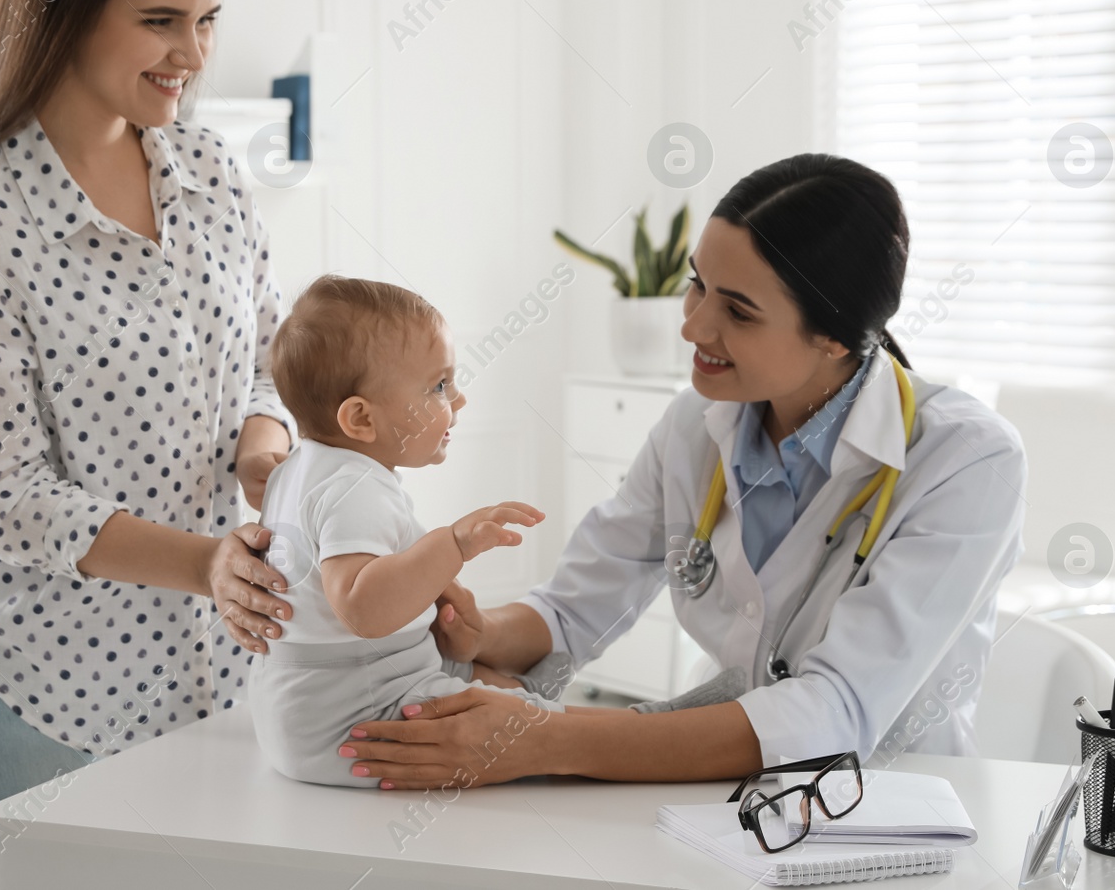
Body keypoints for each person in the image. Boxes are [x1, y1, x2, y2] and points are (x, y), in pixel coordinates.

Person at [212, 153, 1027, 790]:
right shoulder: (696, 427)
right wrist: (468, 632)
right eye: (697, 284)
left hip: (891, 804)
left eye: (737, 310)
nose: (694, 325)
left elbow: (837, 708)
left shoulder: (964, 460)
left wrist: (548, 739)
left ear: (836, 338)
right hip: (733, 793)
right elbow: (573, 609)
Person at [0, 0, 293, 878]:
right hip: (37, 681)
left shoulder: (208, 170)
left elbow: (266, 352)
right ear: (69, 8)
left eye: (207, 20)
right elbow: (7, 495)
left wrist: (264, 442)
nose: (192, 53)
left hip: (205, 669)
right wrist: (206, 562)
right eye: (161, 19)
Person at [251, 276, 631, 787]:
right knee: (519, 723)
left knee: (479, 684)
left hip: (313, 697)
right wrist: (453, 544)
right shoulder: (355, 488)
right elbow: (362, 609)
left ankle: (530, 690)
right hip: (356, 710)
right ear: (361, 418)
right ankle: (645, 727)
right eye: (439, 386)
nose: (460, 400)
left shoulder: (296, 470)